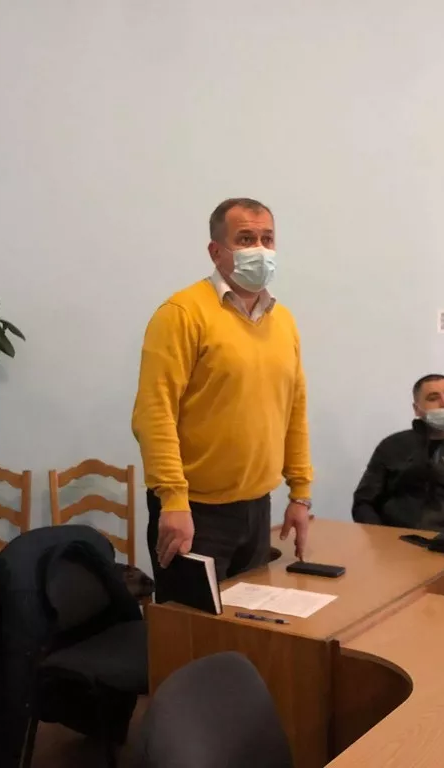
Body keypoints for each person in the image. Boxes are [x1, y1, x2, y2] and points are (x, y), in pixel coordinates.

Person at [131, 197, 314, 587]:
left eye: (267, 239)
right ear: (216, 252)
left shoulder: (283, 321)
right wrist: (173, 500)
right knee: (190, 623)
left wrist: (300, 494)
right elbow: (154, 413)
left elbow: (294, 410)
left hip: (257, 509)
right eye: (246, 239)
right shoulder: (182, 314)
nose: (260, 249)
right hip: (194, 511)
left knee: (250, 619)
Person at [351, 374, 444, 532]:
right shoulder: (391, 446)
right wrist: (382, 537)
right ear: (417, 409)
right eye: (433, 398)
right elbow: (364, 502)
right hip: (394, 541)